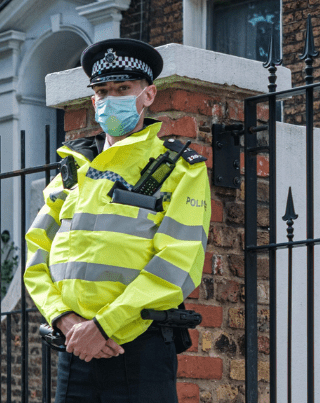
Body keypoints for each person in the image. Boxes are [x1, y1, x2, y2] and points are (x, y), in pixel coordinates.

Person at [24, 38, 211, 402]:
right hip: (74, 348)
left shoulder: (178, 168)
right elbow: (36, 256)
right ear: (93, 99)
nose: (110, 98)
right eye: (102, 90)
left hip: (140, 350)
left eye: (123, 88)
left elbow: (178, 263)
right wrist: (64, 320)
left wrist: (104, 326)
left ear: (149, 95)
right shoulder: (73, 169)